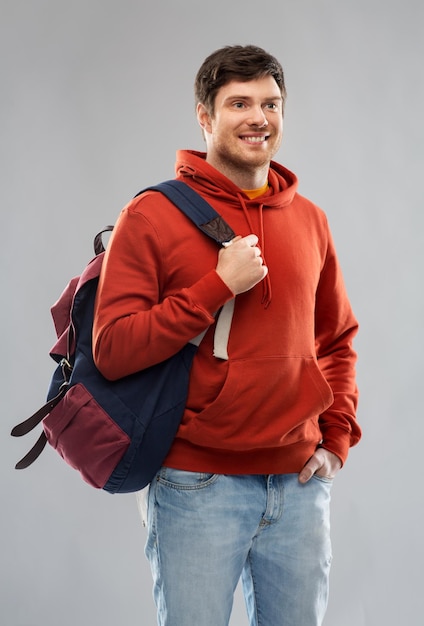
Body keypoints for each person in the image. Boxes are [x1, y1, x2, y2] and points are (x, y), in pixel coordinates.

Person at [92, 44, 361, 626]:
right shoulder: (151, 216)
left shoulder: (310, 219)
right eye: (239, 103)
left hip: (299, 487)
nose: (258, 118)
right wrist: (216, 286)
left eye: (270, 103)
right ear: (205, 116)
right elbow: (112, 350)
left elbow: (336, 340)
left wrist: (336, 440)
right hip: (196, 485)